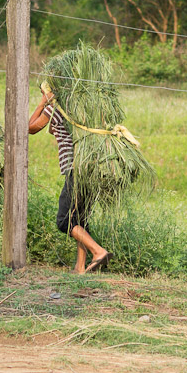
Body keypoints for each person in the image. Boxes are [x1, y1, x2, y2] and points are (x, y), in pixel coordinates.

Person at [28, 89, 112, 274]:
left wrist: (43, 103)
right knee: (80, 219)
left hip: (76, 170)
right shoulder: (84, 108)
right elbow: (53, 129)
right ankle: (79, 268)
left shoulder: (59, 108)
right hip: (93, 169)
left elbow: (30, 127)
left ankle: (98, 251)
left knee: (64, 221)